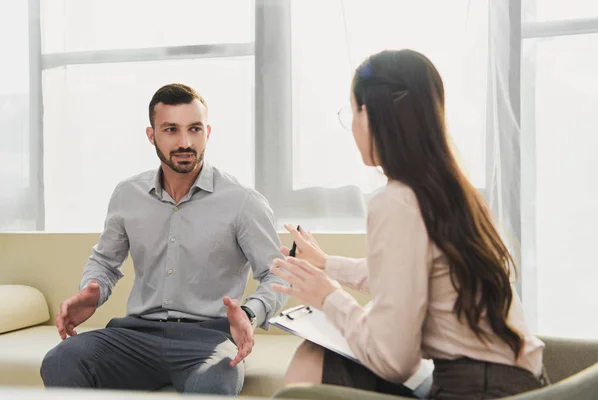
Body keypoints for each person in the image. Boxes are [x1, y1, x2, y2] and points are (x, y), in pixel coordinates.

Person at [269, 50, 548, 399]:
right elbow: (413, 278)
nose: (352, 127)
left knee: (310, 368)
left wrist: (329, 297)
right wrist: (327, 265)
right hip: (518, 382)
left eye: (351, 112)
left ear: (369, 116)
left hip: (476, 390)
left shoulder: (396, 201)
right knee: (318, 360)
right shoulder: (451, 190)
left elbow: (394, 359)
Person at [40, 83, 288, 395]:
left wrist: (250, 314)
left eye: (194, 129)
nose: (185, 142)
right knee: (62, 359)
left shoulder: (243, 202)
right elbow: (104, 263)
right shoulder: (127, 195)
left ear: (207, 133)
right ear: (151, 134)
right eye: (171, 129)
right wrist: (92, 292)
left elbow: (277, 275)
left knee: (215, 380)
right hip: (135, 335)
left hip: (208, 340)